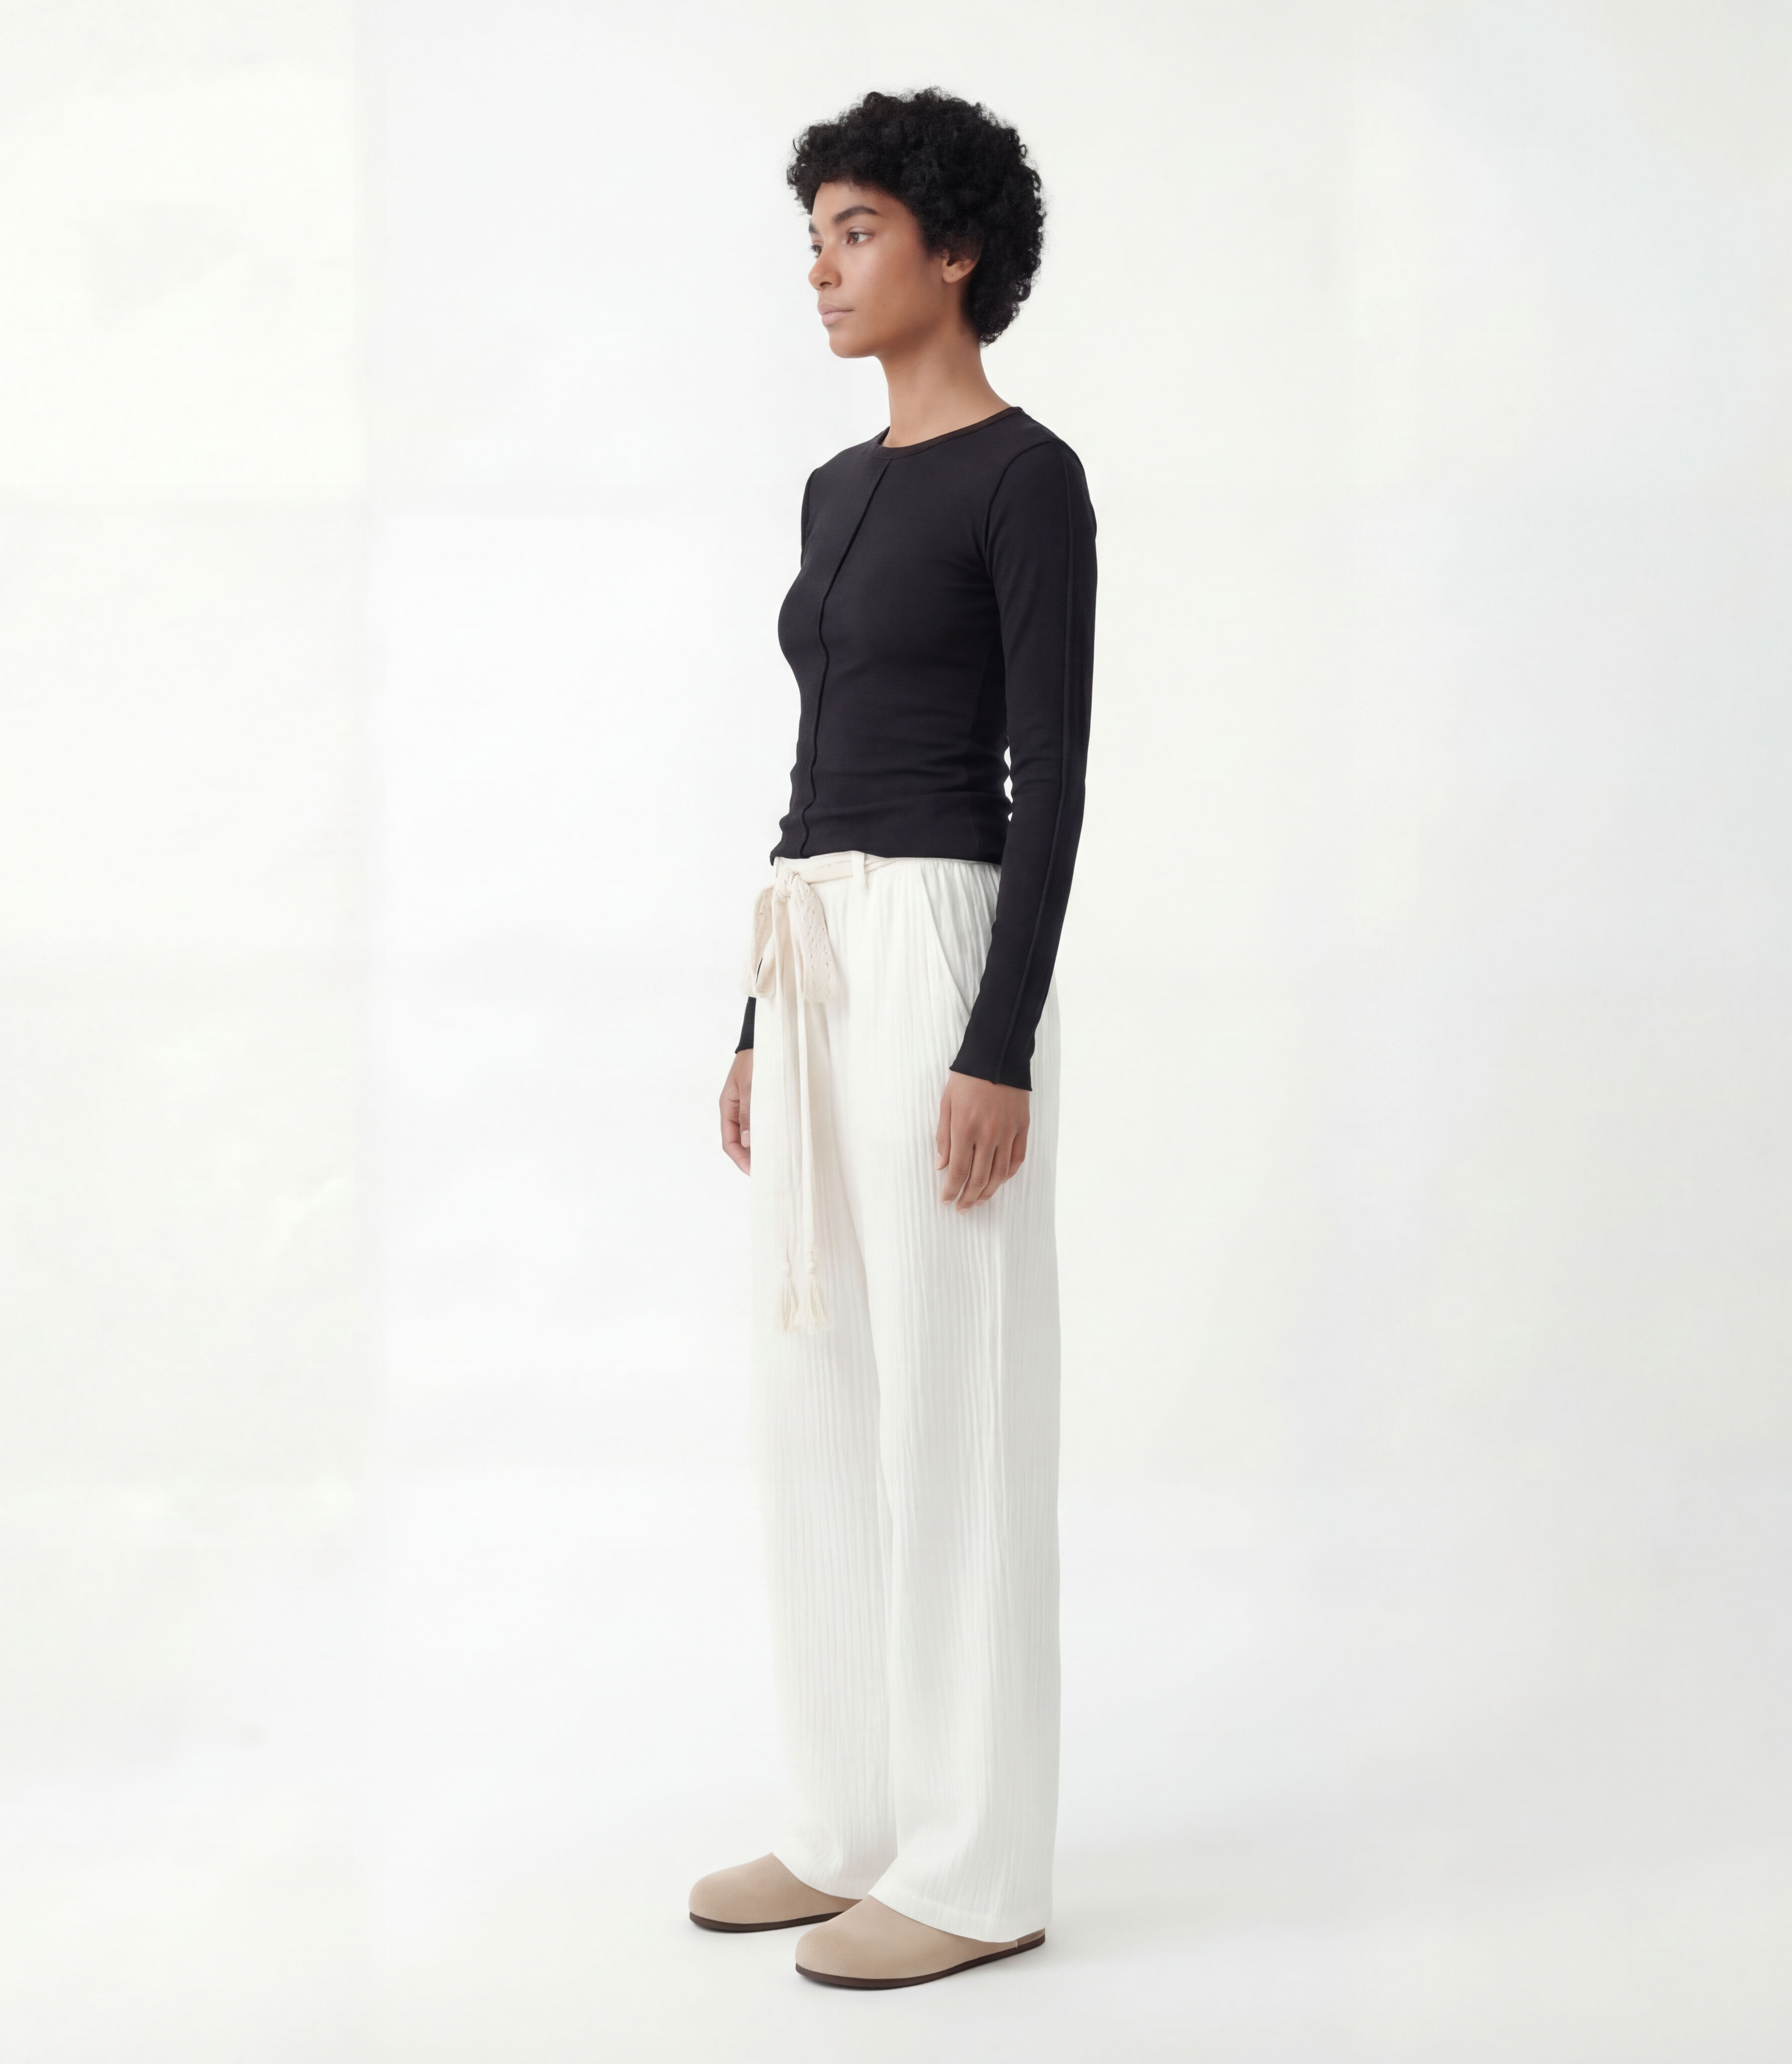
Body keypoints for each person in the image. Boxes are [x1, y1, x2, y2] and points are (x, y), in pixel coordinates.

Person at [689, 86, 1097, 1991]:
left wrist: (997, 1042)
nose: (824, 270)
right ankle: (847, 1817)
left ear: (955, 249)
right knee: (818, 1387)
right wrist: (756, 1021)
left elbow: (1053, 779)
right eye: (815, 237)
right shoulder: (833, 491)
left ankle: (977, 1863)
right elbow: (810, 765)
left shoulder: (1029, 479)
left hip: (941, 936)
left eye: (857, 233)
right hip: (816, 942)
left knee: (957, 1394)